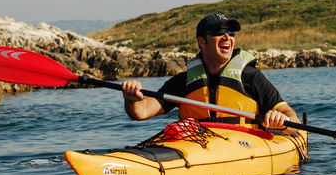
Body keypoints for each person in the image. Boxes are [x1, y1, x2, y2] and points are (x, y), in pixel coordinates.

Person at [121, 13, 298, 131]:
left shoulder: (251, 77)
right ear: (202, 42)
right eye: (219, 32)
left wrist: (280, 119)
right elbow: (141, 112)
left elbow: (293, 119)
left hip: (244, 148)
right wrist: (131, 100)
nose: (227, 36)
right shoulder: (185, 81)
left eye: (231, 32)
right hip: (197, 148)